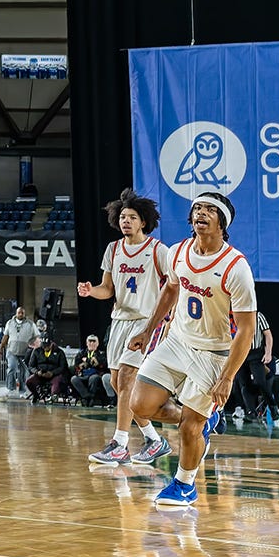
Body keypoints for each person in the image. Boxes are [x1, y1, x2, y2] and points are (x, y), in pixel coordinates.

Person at [131, 192, 258, 509]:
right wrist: (148, 330)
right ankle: (205, 420)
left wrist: (227, 377)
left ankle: (185, 485)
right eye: (197, 208)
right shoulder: (177, 252)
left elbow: (247, 329)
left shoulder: (236, 267)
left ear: (222, 222)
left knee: (190, 429)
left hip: (213, 353)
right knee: (139, 406)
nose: (201, 213)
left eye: (210, 210)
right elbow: (170, 290)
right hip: (176, 342)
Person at [78, 189, 179, 465]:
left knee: (126, 379)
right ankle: (154, 440)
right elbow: (107, 289)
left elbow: (175, 286)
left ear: (143, 221)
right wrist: (91, 290)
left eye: (132, 217)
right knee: (119, 385)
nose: (126, 221)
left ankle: (119, 445)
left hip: (146, 323)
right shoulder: (113, 249)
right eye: (123, 216)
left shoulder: (158, 250)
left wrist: (168, 318)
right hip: (119, 322)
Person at [2, 308, 37, 396]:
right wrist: (0, 347)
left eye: (22, 313)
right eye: (19, 312)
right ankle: (10, 388)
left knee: (24, 371)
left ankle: (23, 390)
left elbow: (36, 336)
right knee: (11, 368)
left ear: (24, 314)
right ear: (16, 313)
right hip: (11, 350)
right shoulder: (9, 323)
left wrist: (32, 345)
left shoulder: (31, 324)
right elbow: (5, 336)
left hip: (25, 351)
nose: (21, 314)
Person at [72, 334, 112, 405]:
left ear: (98, 343)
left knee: (93, 378)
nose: (92, 343)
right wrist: (81, 366)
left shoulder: (102, 354)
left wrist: (98, 363)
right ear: (86, 343)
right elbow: (76, 366)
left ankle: (89, 399)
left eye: (94, 341)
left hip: (96, 374)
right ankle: (88, 396)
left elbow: (106, 366)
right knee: (74, 379)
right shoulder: (81, 353)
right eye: (90, 341)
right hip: (83, 375)